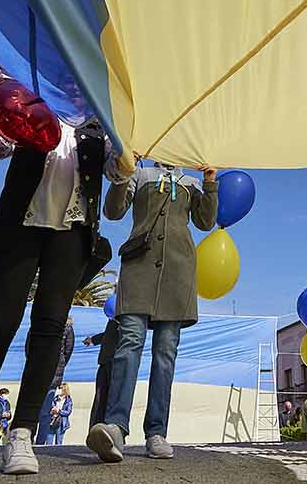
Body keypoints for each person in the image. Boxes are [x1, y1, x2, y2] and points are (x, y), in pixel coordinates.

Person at [0, 66, 111, 475]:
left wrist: (130, 148)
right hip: (19, 226)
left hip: (71, 234)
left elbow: (119, 171)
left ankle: (22, 432)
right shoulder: (30, 106)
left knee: (50, 327)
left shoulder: (99, 126)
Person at [88, 155, 218, 465]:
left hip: (178, 272)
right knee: (128, 343)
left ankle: (156, 432)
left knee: (165, 353)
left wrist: (211, 183)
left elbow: (205, 222)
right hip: (138, 268)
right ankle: (116, 427)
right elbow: (114, 211)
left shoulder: (191, 181)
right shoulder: (142, 174)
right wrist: (123, 173)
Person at [84, 319, 119, 428]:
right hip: (105, 362)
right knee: (100, 396)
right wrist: (93, 340)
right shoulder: (112, 321)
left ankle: (112, 428)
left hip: (116, 363)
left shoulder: (125, 320)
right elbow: (107, 335)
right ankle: (96, 427)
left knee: (112, 397)